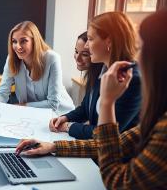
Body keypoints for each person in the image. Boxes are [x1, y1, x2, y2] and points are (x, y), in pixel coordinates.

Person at [16, 10, 167, 189]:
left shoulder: (133, 83)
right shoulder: (105, 72)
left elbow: (116, 180)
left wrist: (106, 103)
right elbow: (112, 143)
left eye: (141, 48)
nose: (86, 46)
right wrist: (52, 147)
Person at [49, 12, 142, 139]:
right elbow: (85, 109)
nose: (87, 45)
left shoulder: (132, 80)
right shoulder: (102, 69)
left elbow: (105, 135)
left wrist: (69, 126)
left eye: (91, 39)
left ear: (109, 42)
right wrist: (65, 118)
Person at [0, 21, 74, 115]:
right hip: (31, 115)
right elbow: (2, 92)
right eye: (14, 41)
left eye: (23, 41)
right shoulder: (12, 59)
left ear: (35, 41)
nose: (18, 46)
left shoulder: (52, 58)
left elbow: (53, 104)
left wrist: (21, 107)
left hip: (61, 114)